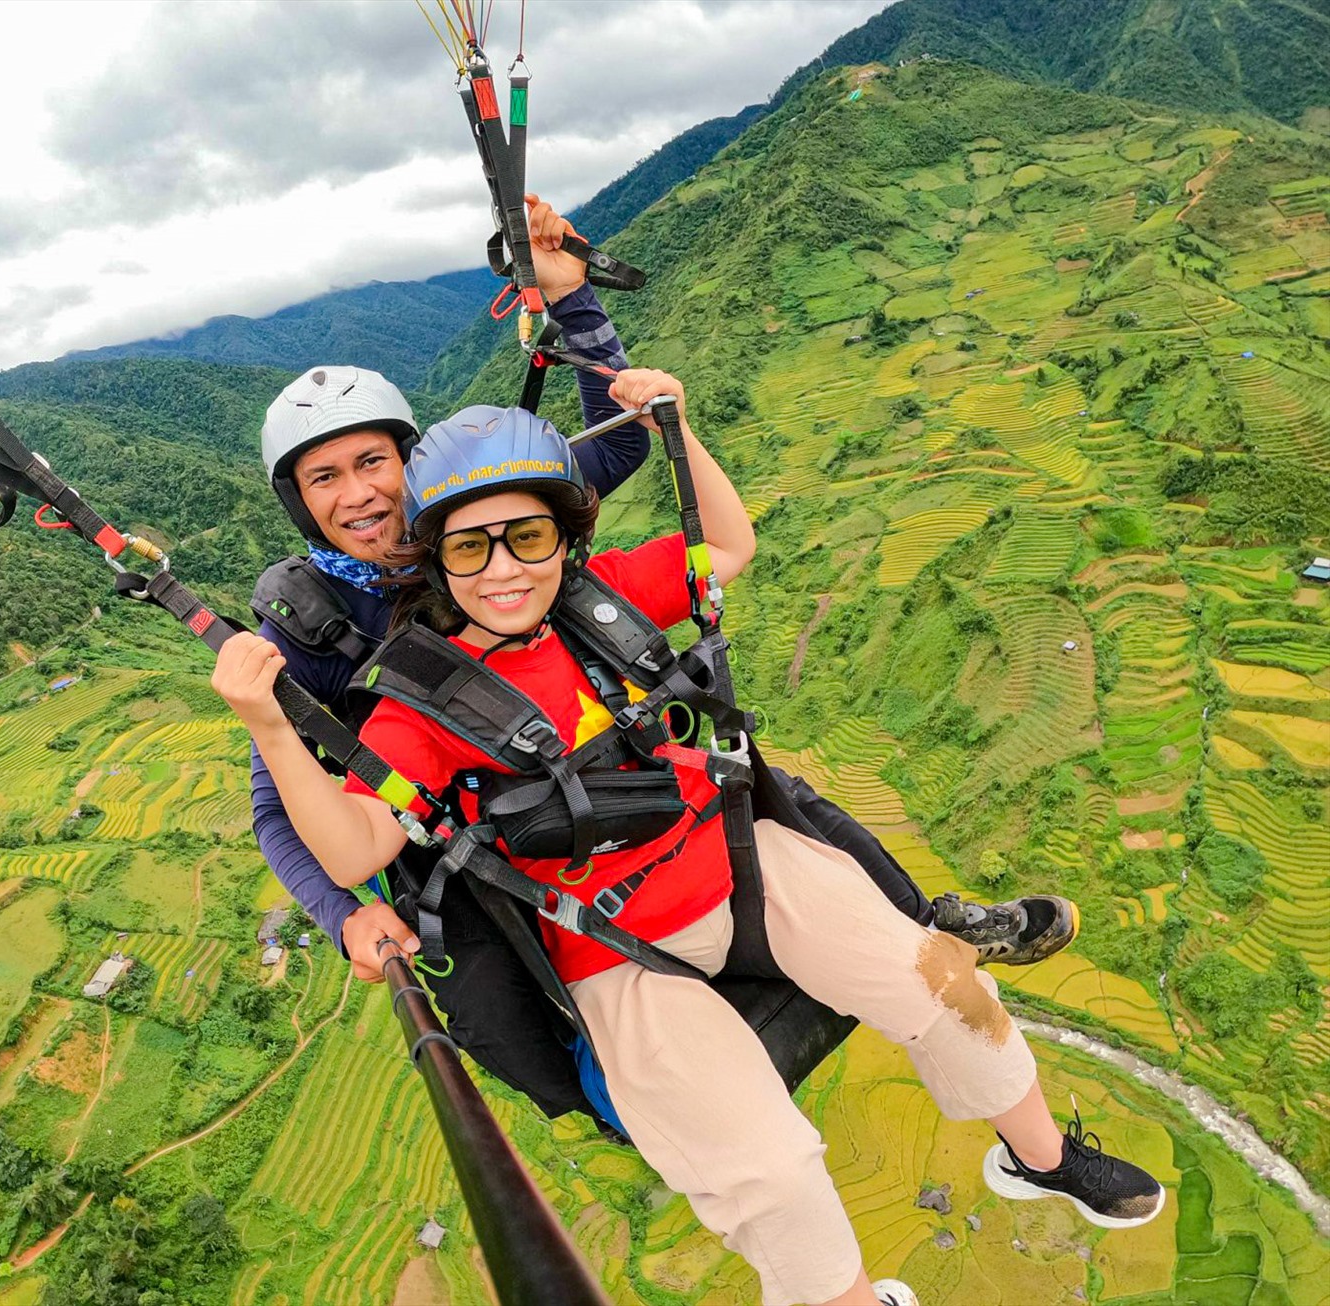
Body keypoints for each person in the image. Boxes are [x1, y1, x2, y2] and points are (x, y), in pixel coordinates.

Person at [216, 381, 1163, 1306]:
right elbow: (348, 851)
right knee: (763, 1168)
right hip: (613, 946)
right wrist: (266, 723)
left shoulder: (608, 601)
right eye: (471, 547)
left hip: (738, 867)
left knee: (954, 989)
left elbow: (727, 543)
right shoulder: (417, 701)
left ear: (564, 538)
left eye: (529, 536)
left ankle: (1039, 1156)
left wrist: (679, 423)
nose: (504, 568)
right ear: (435, 558)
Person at [246, 198, 1078, 1127]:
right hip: (473, 822)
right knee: (487, 1009)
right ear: (298, 503)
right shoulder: (310, 626)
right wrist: (342, 909)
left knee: (790, 809)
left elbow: (622, 434)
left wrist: (574, 305)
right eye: (324, 478)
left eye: (374, 463)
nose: (360, 494)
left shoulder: (485, 508)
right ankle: (622, 1102)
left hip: (599, 748)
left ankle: (931, 931)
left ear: (414, 461)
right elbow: (276, 802)